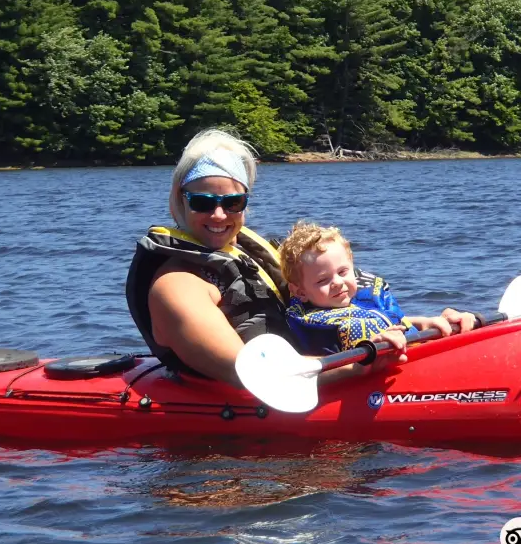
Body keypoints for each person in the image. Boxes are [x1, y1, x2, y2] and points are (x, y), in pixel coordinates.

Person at [125, 128, 470, 387]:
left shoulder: (247, 252)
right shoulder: (177, 286)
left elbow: (318, 316)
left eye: (232, 203)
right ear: (180, 200)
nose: (218, 215)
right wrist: (359, 366)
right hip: (268, 393)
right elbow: (247, 372)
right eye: (202, 202)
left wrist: (412, 326)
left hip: (323, 366)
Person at [279, 222, 477, 357]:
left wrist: (428, 322)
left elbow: (393, 320)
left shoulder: (359, 301)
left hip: (416, 349)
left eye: (343, 271)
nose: (337, 282)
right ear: (300, 292)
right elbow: (336, 368)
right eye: (323, 280)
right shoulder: (316, 328)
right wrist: (373, 347)